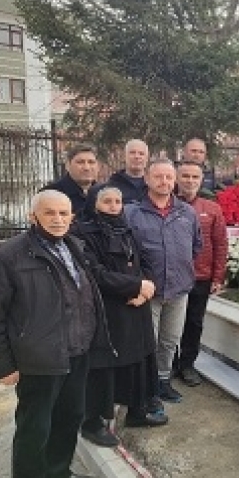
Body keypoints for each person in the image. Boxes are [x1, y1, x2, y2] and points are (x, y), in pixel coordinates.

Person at [0, 189, 105, 478]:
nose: (57, 219)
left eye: (63, 213)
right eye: (49, 213)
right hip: (39, 359)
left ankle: (57, 475)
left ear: (72, 217)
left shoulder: (75, 247)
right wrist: (1, 365)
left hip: (77, 352)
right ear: (33, 216)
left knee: (69, 417)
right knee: (36, 427)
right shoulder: (9, 256)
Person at [72, 186, 167, 438]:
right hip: (108, 310)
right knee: (104, 366)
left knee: (139, 359)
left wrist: (146, 289)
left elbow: (144, 261)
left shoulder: (126, 229)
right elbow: (94, 273)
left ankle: (137, 411)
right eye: (107, 201)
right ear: (94, 204)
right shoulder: (82, 234)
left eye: (118, 201)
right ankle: (93, 422)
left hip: (136, 307)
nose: (114, 206)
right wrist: (135, 287)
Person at [124, 159, 202, 404]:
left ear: (174, 180)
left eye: (169, 177)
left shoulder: (187, 213)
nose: (164, 181)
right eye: (158, 176)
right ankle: (146, 387)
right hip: (148, 291)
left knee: (170, 340)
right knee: (148, 341)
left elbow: (195, 246)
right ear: (147, 179)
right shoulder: (132, 213)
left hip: (179, 290)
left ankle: (163, 381)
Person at [175, 161, 229, 387]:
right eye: (185, 176)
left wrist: (217, 277)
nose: (189, 181)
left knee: (194, 323)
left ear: (201, 180)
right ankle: (167, 364)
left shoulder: (212, 208)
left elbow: (221, 244)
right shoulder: (166, 205)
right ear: (177, 178)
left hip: (201, 277)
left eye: (194, 177)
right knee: (170, 324)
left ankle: (187, 364)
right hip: (172, 277)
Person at [41, 143, 100, 216]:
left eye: (91, 162)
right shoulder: (50, 193)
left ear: (98, 166)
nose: (86, 168)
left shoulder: (105, 193)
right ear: (67, 165)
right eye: (80, 162)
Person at [106, 139, 150, 204]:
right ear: (124, 156)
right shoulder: (112, 186)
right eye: (132, 153)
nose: (137, 157)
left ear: (147, 159)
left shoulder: (153, 185)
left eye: (141, 154)